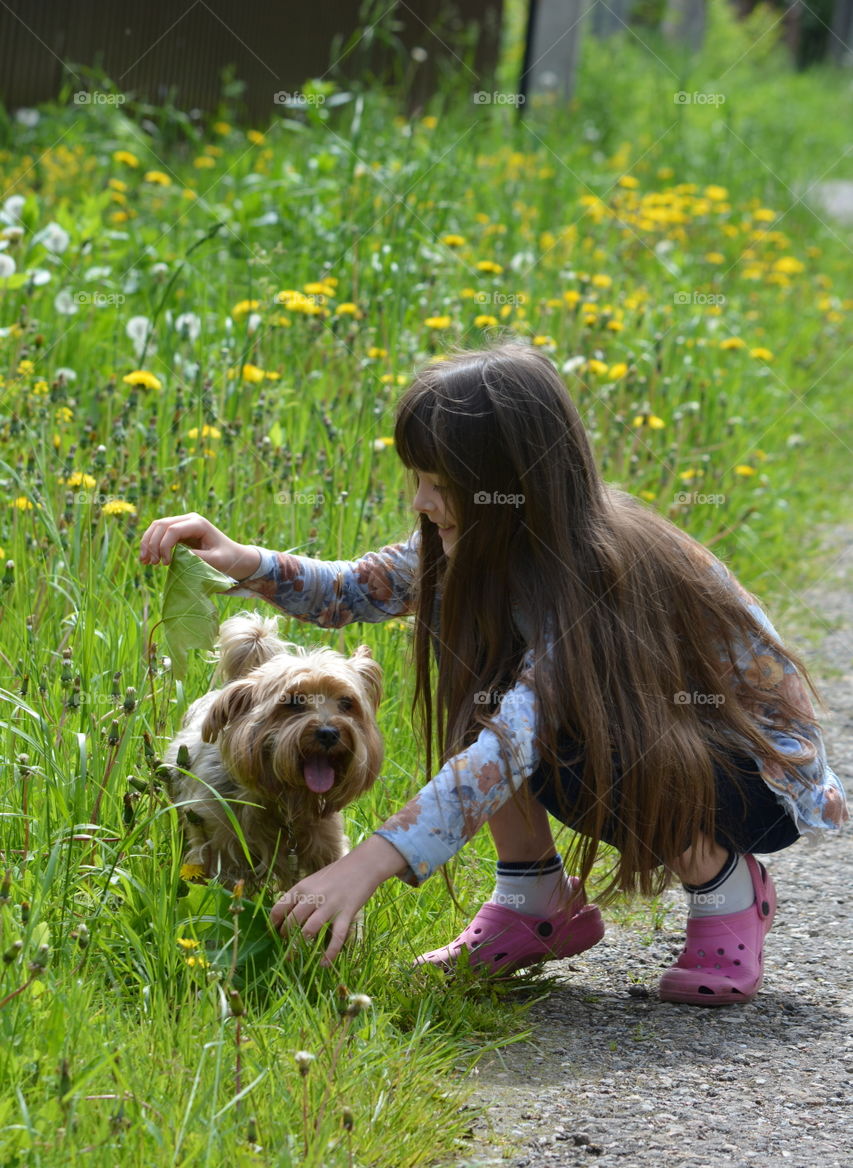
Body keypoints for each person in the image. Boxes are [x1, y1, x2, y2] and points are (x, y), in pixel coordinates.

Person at [139, 339, 848, 1005]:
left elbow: (509, 748)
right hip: (676, 747)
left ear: (516, 490)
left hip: (748, 780)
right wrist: (242, 562)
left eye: (438, 484)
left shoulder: (592, 576)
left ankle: (723, 885)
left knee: (553, 730)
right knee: (478, 667)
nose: (418, 501)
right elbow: (357, 588)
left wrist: (368, 863)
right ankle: (533, 900)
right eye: (417, 479)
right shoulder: (482, 546)